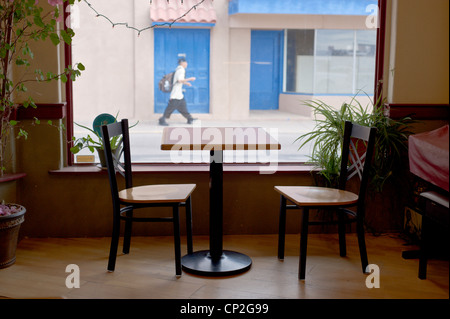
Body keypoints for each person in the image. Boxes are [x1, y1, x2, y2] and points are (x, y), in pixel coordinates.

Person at [159, 57, 197, 126]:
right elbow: (179, 80)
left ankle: (189, 118)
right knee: (170, 108)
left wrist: (186, 83)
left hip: (179, 94)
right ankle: (162, 119)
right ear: (182, 63)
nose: (187, 64)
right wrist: (190, 79)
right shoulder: (181, 70)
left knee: (183, 106)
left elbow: (178, 80)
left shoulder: (178, 69)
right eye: (185, 62)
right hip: (176, 94)